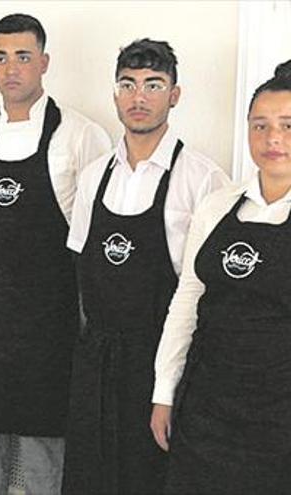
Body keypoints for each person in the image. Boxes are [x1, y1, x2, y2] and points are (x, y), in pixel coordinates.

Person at [0, 14, 111, 494]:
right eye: (1, 57)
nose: (11, 68)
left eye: (23, 56)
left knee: (44, 443)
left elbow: (90, 234)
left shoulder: (82, 136)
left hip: (48, 319)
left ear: (44, 62)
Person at [61, 39, 228, 494]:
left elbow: (209, 295)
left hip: (161, 365)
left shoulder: (204, 179)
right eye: (128, 84)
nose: (139, 97)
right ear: (115, 93)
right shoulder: (94, 176)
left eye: (154, 85)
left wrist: (174, 385)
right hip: (97, 362)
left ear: (175, 95)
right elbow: (82, 274)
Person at [150, 61, 291, 493]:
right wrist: (164, 391)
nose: (272, 139)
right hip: (206, 404)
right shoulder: (217, 205)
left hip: (279, 417)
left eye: (288, 125)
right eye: (259, 125)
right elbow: (187, 300)